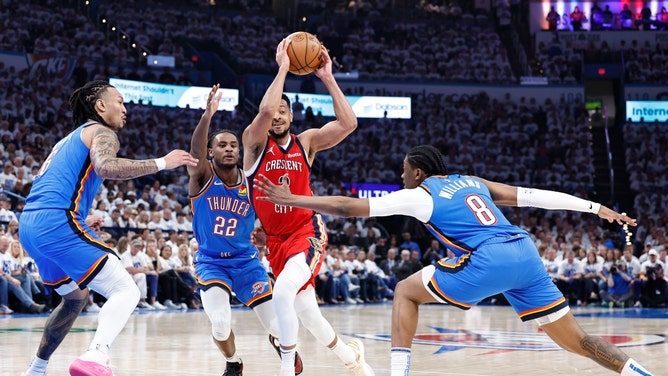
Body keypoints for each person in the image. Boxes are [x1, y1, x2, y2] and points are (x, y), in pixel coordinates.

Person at [254, 145, 654, 376]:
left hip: (490, 258)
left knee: (404, 292)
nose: (401, 176)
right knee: (579, 342)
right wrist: (596, 207)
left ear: (420, 172)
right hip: (525, 253)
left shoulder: (421, 193)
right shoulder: (474, 183)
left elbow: (347, 206)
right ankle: (638, 373)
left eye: (404, 171)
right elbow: (534, 194)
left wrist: (295, 199)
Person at [19, 80, 198, 376]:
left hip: (32, 225)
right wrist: (162, 162)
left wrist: (79, 219)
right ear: (100, 105)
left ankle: (36, 370)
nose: (125, 109)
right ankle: (96, 356)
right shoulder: (102, 132)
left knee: (74, 298)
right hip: (56, 222)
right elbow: (105, 167)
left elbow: (53, 186)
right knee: (125, 290)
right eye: (120, 102)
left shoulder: (67, 139)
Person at [242, 39, 372, 376]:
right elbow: (265, 111)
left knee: (283, 293)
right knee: (307, 313)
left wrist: (327, 78)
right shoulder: (253, 144)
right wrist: (284, 65)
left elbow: (348, 124)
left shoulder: (306, 143)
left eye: (285, 110)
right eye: (274, 111)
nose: (278, 115)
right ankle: (351, 358)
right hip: (275, 242)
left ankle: (288, 368)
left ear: (293, 115)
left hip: (306, 232)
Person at [187, 84, 303, 375]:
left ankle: (283, 349)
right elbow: (195, 151)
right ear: (211, 151)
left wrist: (264, 230)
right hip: (211, 263)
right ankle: (233, 361)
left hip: (246, 262)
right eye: (222, 145)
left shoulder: (251, 181)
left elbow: (268, 213)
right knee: (220, 323)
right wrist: (207, 115)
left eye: (233, 145)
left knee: (279, 327)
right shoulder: (202, 176)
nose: (229, 149)